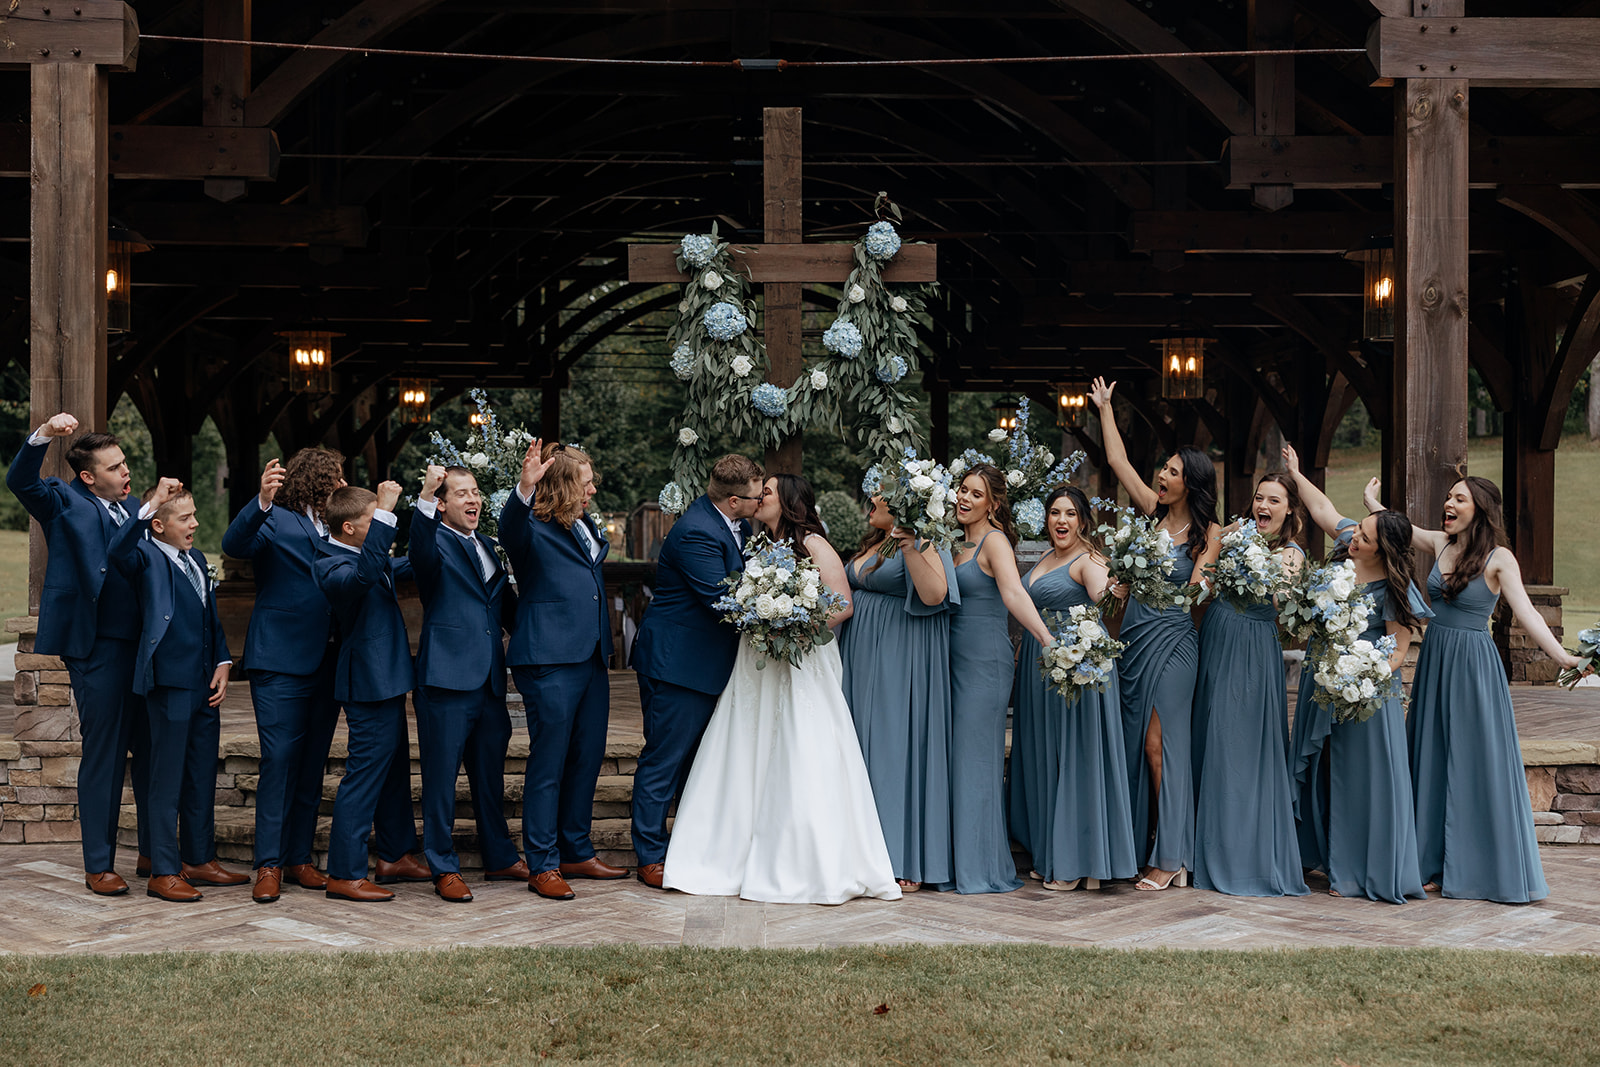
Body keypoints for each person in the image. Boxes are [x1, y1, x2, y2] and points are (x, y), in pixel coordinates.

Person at [663, 474, 900, 904]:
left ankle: (804, 861)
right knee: (745, 747)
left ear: (787, 501)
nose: (759, 498)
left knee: (800, 746)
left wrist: (792, 629)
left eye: (767, 492)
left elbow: (842, 604)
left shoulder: (813, 543)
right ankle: (731, 855)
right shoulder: (756, 545)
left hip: (800, 660)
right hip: (757, 664)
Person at [1365, 473, 1580, 903]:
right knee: (1431, 758)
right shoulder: (1439, 544)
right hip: (1436, 661)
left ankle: (1477, 867)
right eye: (1447, 497)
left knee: (1473, 761)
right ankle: (1430, 864)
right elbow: (1399, 528)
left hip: (1473, 668)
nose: (1448, 503)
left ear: (1479, 509)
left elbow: (1529, 614)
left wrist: (1565, 658)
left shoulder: (1500, 559)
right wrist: (1373, 502)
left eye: (1458, 498)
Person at [5, 413, 151, 895]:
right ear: (88, 476)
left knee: (150, 748)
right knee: (106, 755)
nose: (126, 472)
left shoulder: (133, 512)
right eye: (115, 467)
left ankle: (155, 852)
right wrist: (43, 435)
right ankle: (99, 865)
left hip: (144, 648)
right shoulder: (62, 500)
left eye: (125, 463)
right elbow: (19, 479)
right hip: (96, 649)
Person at [1089, 377, 1220, 891]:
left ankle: (1173, 855)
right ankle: (1140, 844)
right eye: (1164, 468)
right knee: (1134, 742)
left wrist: (1152, 579)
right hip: (1136, 639)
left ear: (1193, 484)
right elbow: (1119, 463)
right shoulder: (1149, 516)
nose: (1163, 477)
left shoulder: (1207, 536)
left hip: (1174, 642)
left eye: (1173, 473)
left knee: (1159, 744)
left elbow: (1195, 597)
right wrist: (1104, 408)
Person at [1283, 444, 1428, 903]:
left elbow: (1398, 653)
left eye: (1363, 535)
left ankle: (1359, 868)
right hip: (1320, 678)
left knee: (1358, 777)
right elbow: (1324, 510)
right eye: (1358, 531)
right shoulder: (1345, 555)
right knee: (1322, 766)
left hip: (1364, 692)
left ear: (1382, 547)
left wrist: (1359, 680)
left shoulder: (1393, 589)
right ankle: (1320, 859)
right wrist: (1297, 472)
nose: (1353, 538)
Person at [500, 440, 628, 901]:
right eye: (586, 482)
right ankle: (544, 863)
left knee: (587, 757)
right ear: (561, 484)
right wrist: (524, 486)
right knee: (549, 762)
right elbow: (508, 525)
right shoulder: (529, 528)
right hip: (549, 660)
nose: (593, 489)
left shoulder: (583, 523)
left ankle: (576, 849)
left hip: (591, 657)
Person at [630, 454, 765, 889]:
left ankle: (687, 847)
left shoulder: (733, 524)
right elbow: (720, 598)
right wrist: (785, 610)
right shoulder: (697, 533)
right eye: (755, 496)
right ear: (732, 500)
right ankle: (650, 855)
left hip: (702, 664)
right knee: (663, 761)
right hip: (678, 664)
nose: (761, 500)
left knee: (693, 762)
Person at [222, 450, 348, 902]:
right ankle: (268, 864)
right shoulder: (275, 519)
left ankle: (298, 859)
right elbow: (234, 545)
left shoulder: (339, 528)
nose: (343, 483)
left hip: (328, 661)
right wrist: (260, 501)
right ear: (318, 481)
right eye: (336, 476)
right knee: (279, 762)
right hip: (278, 661)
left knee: (313, 763)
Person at [108, 478, 242, 902]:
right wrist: (148, 508)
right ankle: (163, 870)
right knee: (165, 780)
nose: (196, 524)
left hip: (205, 684)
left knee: (201, 774)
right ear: (160, 525)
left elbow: (209, 619)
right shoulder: (143, 555)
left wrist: (222, 662)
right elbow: (116, 551)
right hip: (168, 684)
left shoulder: (198, 558)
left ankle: (199, 859)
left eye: (195, 515)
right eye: (185, 517)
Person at [1009, 485, 1138, 892]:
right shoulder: (1049, 556)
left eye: (1069, 513)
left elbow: (1107, 603)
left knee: (1075, 755)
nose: (1060, 520)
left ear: (1082, 519)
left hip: (1076, 668)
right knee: (1047, 755)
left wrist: (1118, 588)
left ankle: (1078, 861)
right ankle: (1051, 851)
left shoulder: (1089, 560)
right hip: (1039, 665)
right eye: (1054, 513)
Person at [410, 464, 526, 902]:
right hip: (446, 680)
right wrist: (422, 494)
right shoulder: (432, 542)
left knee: (489, 777)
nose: (473, 500)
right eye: (461, 494)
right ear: (441, 504)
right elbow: (418, 549)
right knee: (440, 781)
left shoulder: (490, 547)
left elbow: (506, 608)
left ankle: (498, 856)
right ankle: (442, 864)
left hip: (491, 682)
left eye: (476, 492)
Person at [1190, 473, 1310, 897]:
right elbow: (1202, 576)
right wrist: (1224, 544)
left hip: (1251, 650)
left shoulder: (1292, 555)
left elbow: (1286, 608)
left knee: (1236, 744)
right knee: (1208, 736)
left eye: (1274, 500)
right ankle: (1200, 847)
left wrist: (1265, 567)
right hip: (1216, 637)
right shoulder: (1235, 533)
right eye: (1259, 497)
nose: (1263, 505)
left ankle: (1241, 854)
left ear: (1289, 509)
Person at [313, 483, 430, 903]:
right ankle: (344, 873)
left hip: (389, 680)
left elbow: (411, 562)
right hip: (367, 684)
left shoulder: (367, 556)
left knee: (394, 771)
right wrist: (386, 513)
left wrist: (429, 504)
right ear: (348, 527)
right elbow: (364, 577)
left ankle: (396, 854)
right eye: (373, 520)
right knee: (362, 778)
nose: (384, 525)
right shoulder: (331, 563)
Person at [941, 464, 1054, 894]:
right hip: (949, 660)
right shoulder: (953, 542)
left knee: (976, 762)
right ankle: (953, 859)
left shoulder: (995, 542)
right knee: (954, 759)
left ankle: (980, 866)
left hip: (985, 663)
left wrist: (1045, 637)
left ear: (993, 503)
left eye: (975, 493)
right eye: (961, 490)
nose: (964, 499)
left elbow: (1013, 594)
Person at [839, 488, 958, 893]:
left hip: (898, 656)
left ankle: (898, 854)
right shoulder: (875, 541)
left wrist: (909, 543)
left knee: (892, 750)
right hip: (861, 657)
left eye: (881, 492)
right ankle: (857, 851)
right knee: (860, 748)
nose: (870, 497)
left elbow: (935, 594)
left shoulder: (924, 540)